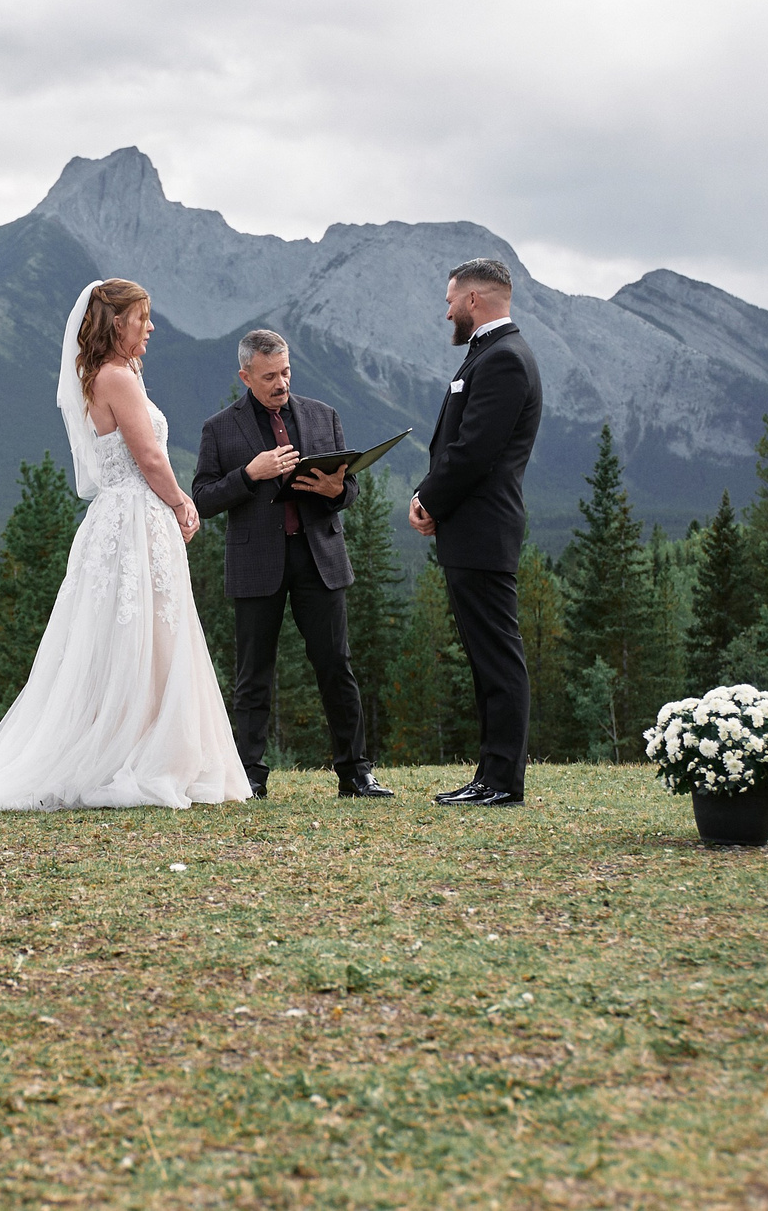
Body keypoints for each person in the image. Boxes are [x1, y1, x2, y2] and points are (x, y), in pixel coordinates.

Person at [0, 279, 248, 812]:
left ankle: (138, 745)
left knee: (135, 634)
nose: (151, 327)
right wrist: (184, 504)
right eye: (143, 317)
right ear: (118, 322)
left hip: (120, 519)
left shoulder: (100, 375)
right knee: (147, 633)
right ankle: (140, 754)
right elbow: (150, 458)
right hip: (135, 519)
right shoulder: (117, 376)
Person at [191, 329, 390, 800]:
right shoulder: (219, 428)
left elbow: (350, 487)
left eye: (284, 371)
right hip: (256, 562)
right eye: (268, 376)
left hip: (319, 557)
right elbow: (201, 498)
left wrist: (335, 491)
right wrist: (249, 474)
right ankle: (249, 777)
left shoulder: (324, 415)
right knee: (253, 674)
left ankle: (356, 773)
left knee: (336, 666)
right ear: (245, 376)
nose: (280, 382)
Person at [408, 258, 541, 807]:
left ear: (473, 301)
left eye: (450, 301)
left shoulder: (505, 359)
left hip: (482, 529)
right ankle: (490, 774)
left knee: (497, 657)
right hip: (472, 530)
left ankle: (504, 780)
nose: (446, 312)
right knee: (485, 656)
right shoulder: (490, 353)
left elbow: (475, 451)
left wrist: (427, 499)